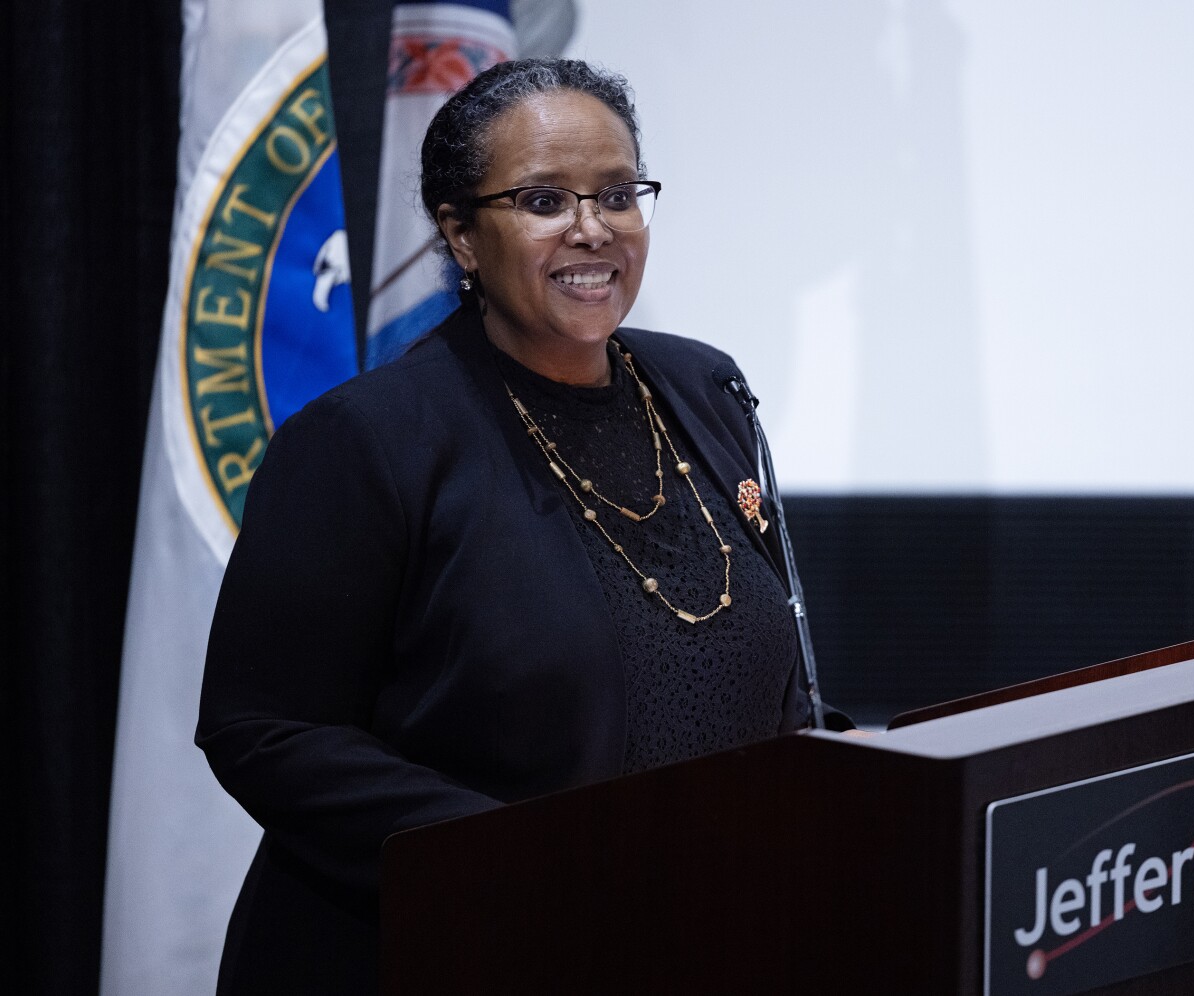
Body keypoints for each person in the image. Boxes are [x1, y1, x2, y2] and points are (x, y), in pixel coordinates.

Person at [196, 58, 846, 994]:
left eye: (618, 194)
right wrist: (523, 865)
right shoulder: (366, 442)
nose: (593, 229)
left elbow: (763, 667)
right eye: (544, 200)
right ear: (461, 235)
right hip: (457, 947)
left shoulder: (707, 388)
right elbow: (265, 728)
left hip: (694, 932)